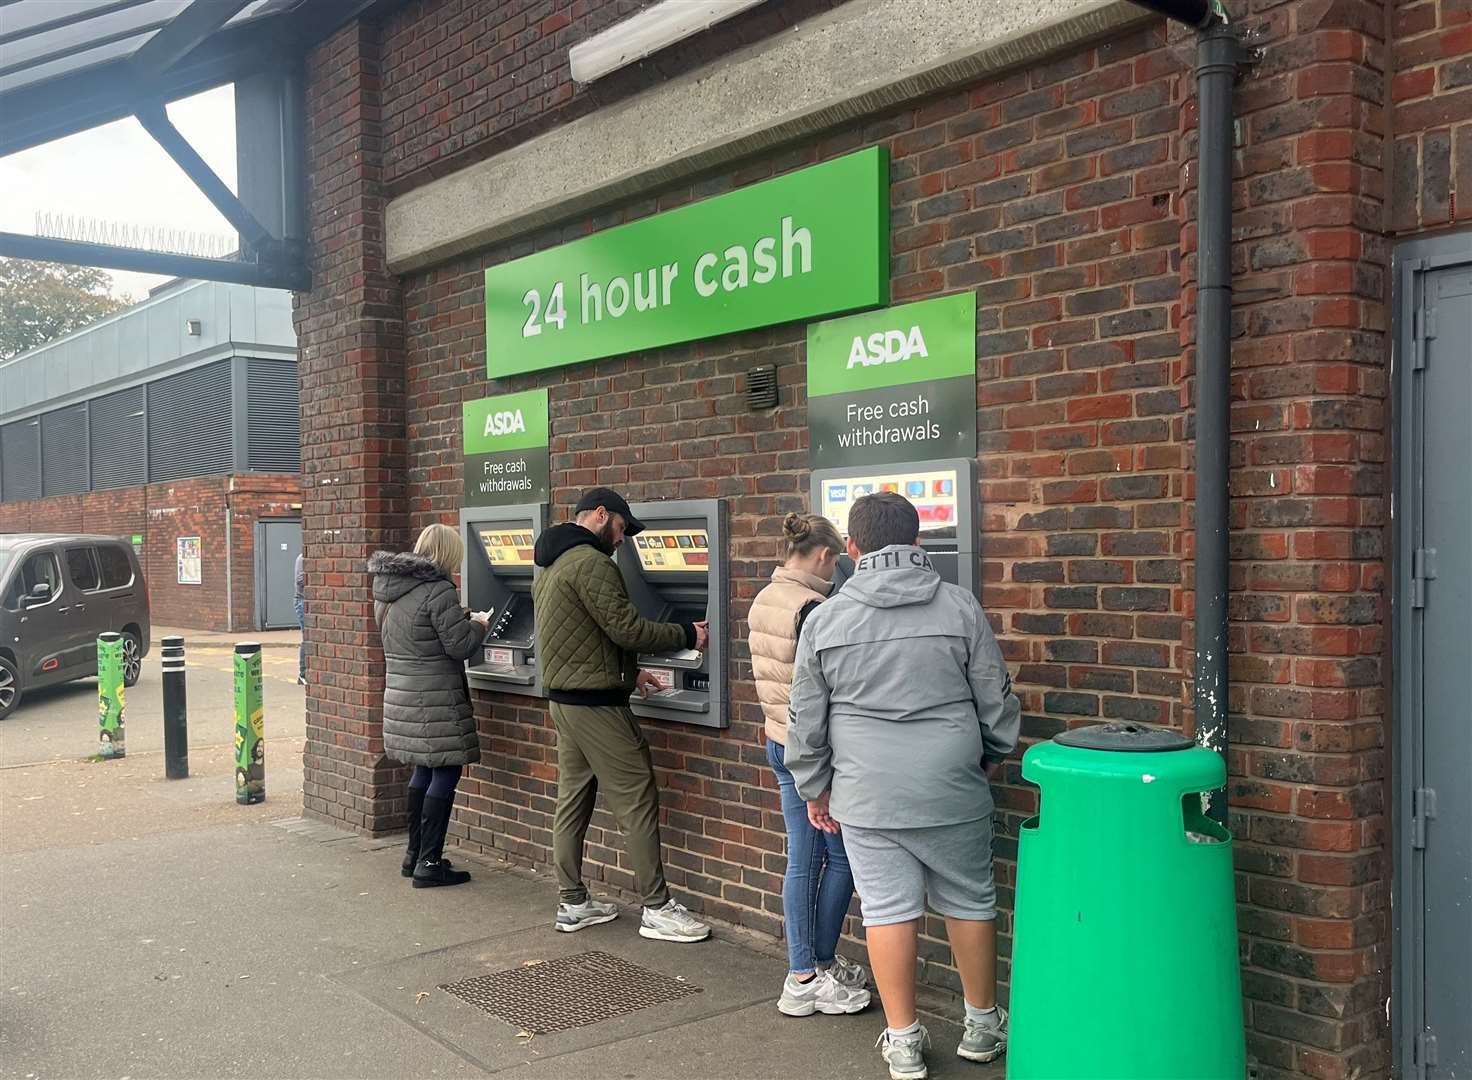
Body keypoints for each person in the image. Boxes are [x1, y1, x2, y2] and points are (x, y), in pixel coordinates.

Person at [786, 492, 1021, 1080]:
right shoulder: (961, 607)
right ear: (918, 543)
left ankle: (904, 1041)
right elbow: (995, 703)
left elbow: (805, 720)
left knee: (887, 910)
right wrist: (986, 757)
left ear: (854, 548)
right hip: (952, 785)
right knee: (969, 900)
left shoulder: (826, 618)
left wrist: (815, 788)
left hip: (867, 794)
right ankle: (983, 1026)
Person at [532, 487, 712, 943]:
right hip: (597, 706)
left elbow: (582, 635)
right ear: (600, 515)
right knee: (637, 796)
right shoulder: (592, 563)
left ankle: (572, 901)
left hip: (566, 701)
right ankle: (657, 907)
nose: (623, 539)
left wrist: (631, 675)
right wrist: (687, 633)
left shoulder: (551, 562)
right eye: (622, 528)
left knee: (573, 800)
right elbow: (627, 628)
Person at [749, 512, 870, 1017]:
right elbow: (822, 695)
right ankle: (804, 974)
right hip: (812, 754)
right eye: (837, 560)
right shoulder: (813, 608)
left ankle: (813, 967)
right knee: (833, 859)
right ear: (824, 555)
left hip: (779, 743)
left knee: (805, 857)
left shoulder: (765, 598)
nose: (837, 569)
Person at [369, 523, 490, 888]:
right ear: (447, 554)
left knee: (423, 770)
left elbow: (418, 634)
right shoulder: (438, 591)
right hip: (435, 698)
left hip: (403, 696)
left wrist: (458, 616)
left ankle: (414, 855)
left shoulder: (389, 590)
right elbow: (459, 646)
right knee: (446, 772)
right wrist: (480, 624)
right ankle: (430, 864)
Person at [294, 552, 307, 686]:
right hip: (302, 601)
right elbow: (300, 580)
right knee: (307, 638)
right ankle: (303, 674)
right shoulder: (302, 558)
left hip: (305, 601)